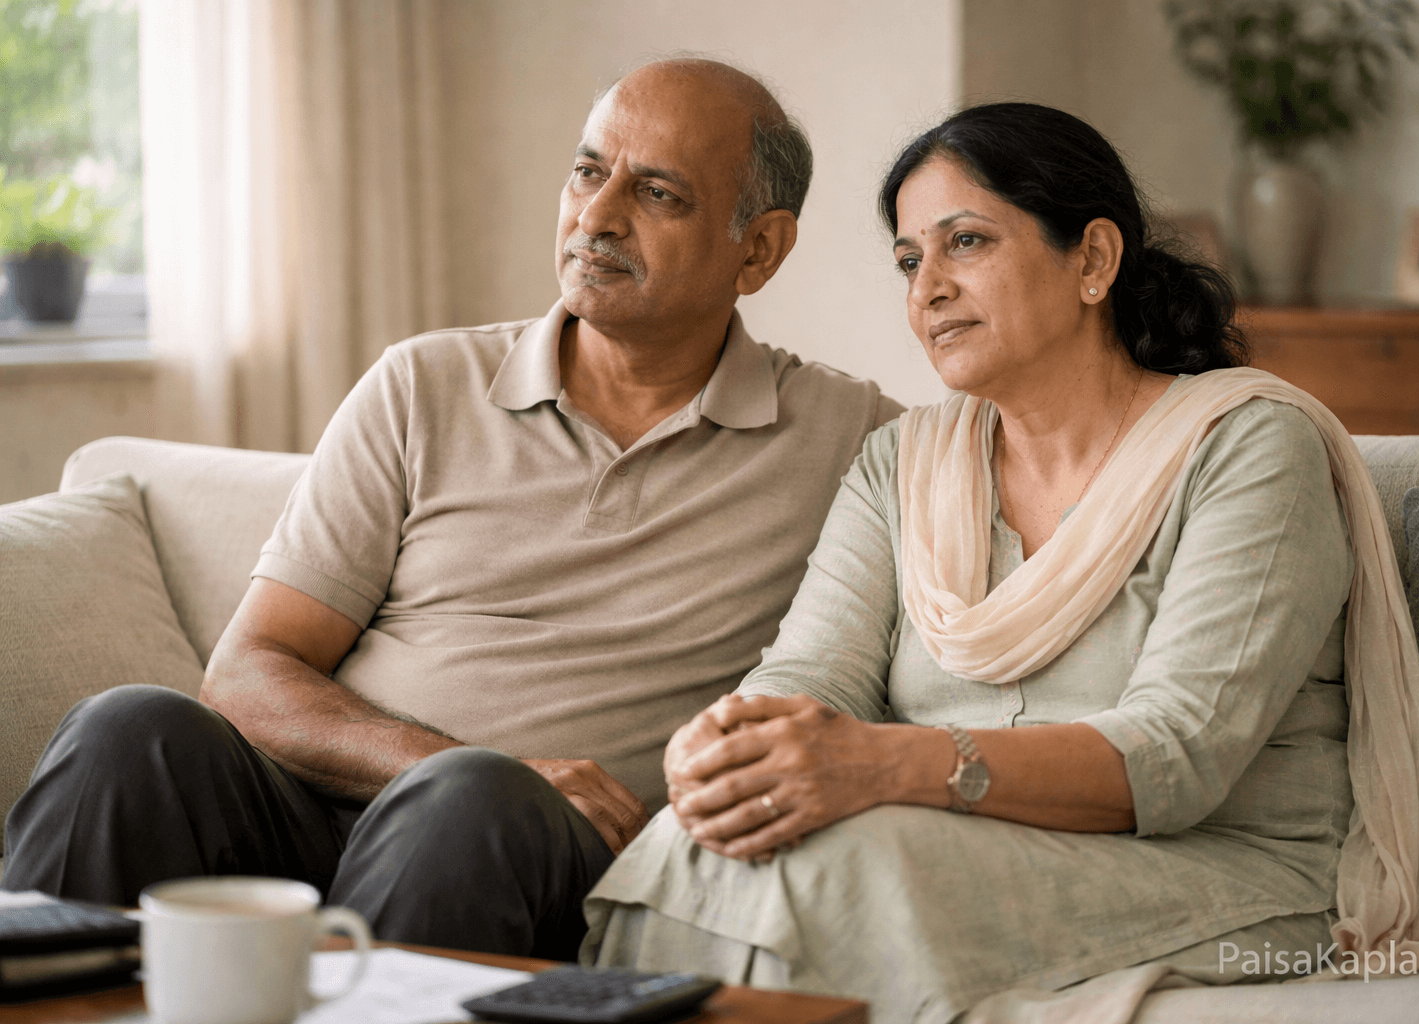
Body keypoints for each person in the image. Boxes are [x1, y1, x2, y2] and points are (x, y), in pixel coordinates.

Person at [583, 103, 1419, 1022]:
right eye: (908, 260)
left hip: (1226, 863)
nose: (926, 289)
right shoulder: (901, 461)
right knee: (707, 837)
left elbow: (1179, 753)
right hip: (952, 839)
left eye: (964, 242)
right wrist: (739, 741)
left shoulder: (1248, 447)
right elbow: (815, 674)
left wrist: (883, 766)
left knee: (844, 862)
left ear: (1093, 260)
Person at [0, 58, 901, 961]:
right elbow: (248, 672)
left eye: (658, 192)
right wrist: (434, 762)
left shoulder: (847, 437)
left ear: (760, 249)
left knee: (473, 800)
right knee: (127, 732)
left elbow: (1020, 469)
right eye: (589, 171)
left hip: (531, 853)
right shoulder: (423, 384)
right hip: (322, 812)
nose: (596, 215)